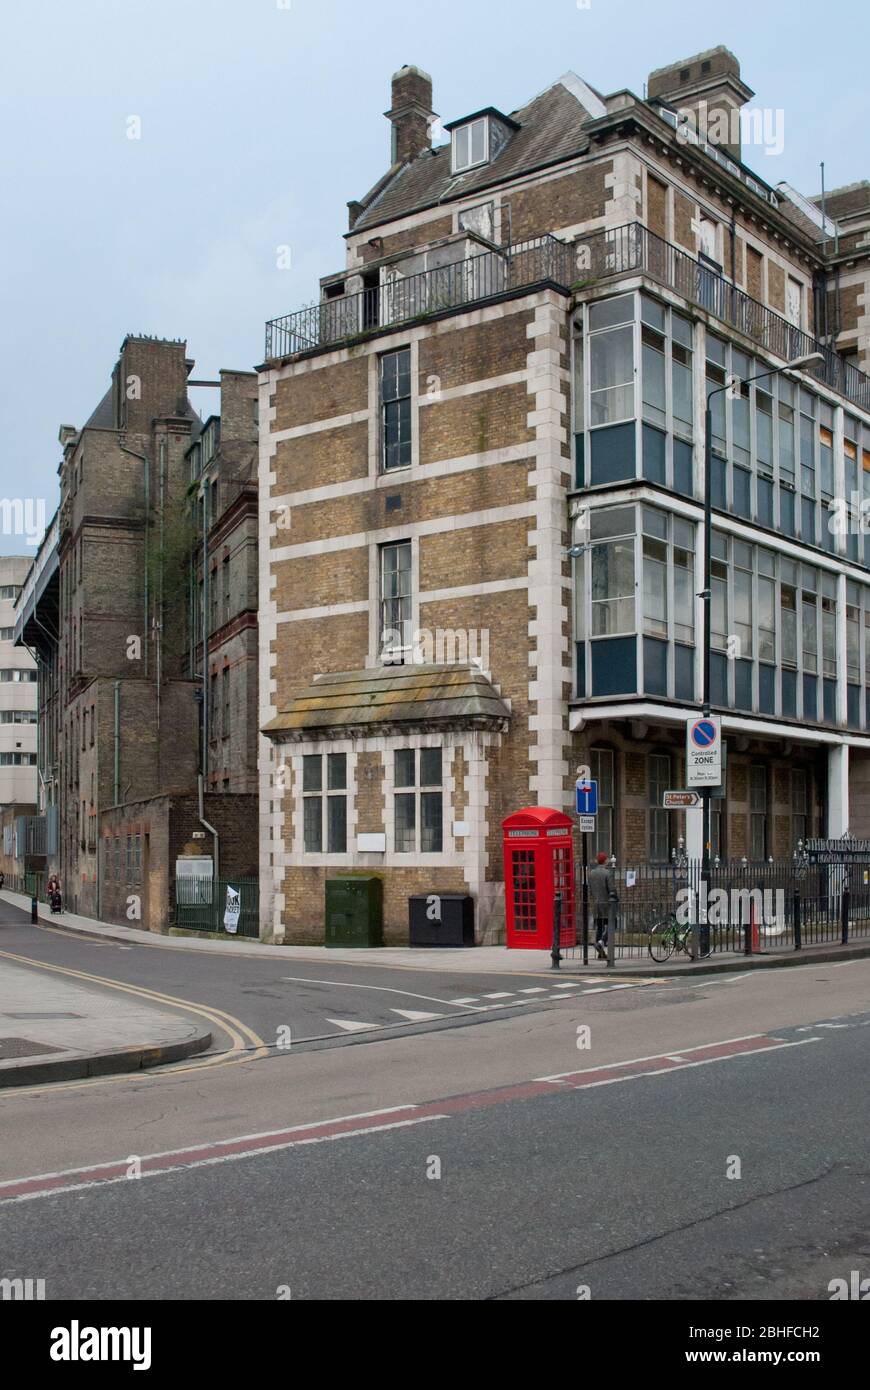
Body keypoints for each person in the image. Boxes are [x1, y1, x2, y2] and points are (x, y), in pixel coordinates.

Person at [588, 851, 618, 960]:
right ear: (605, 861)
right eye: (607, 859)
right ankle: (601, 942)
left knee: (599, 927)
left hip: (596, 905)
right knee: (613, 924)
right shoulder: (607, 873)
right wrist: (616, 899)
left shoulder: (591, 873)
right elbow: (611, 889)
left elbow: (590, 890)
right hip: (607, 904)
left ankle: (600, 953)